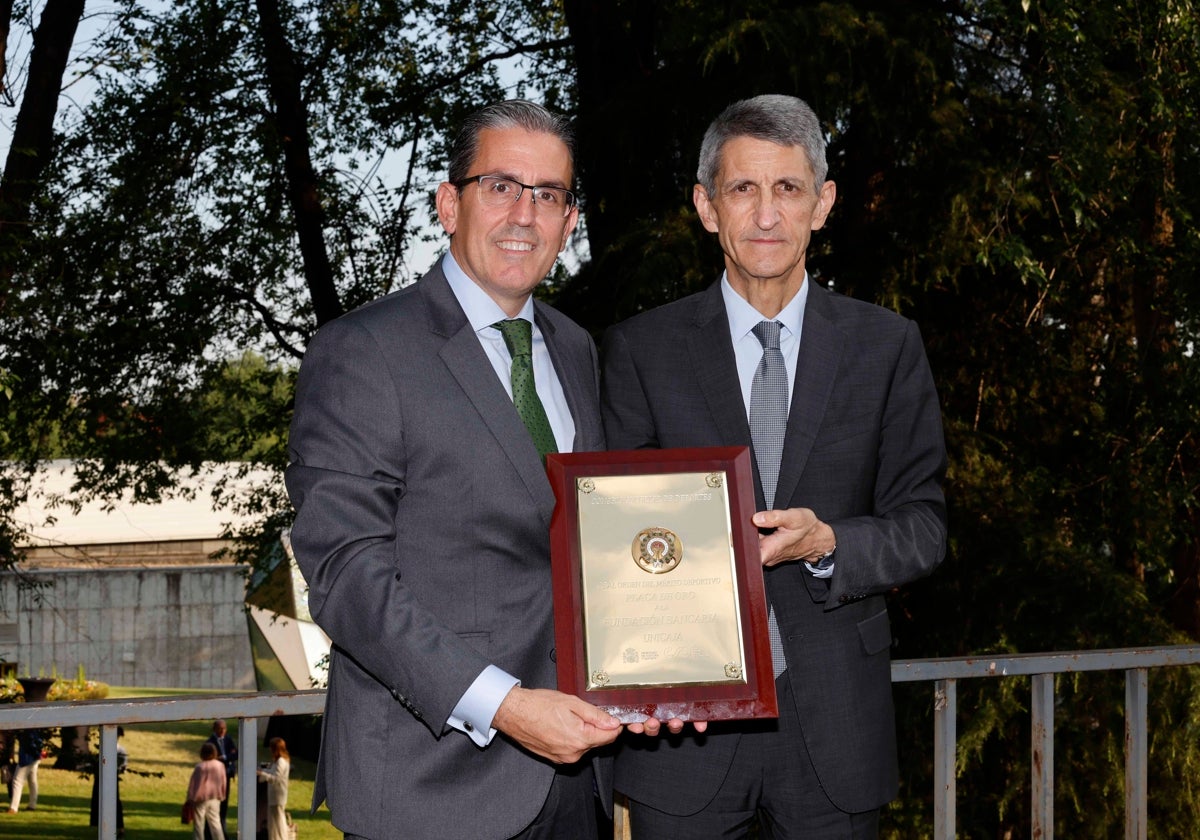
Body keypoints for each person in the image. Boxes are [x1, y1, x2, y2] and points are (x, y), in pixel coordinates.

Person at [601, 93, 948, 838]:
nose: (766, 215)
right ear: (705, 206)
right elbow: (611, 542)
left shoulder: (886, 347)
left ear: (822, 204)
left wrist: (829, 543)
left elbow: (923, 527)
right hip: (683, 729)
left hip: (837, 725)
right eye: (742, 189)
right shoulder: (640, 351)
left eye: (788, 188)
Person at [285, 99, 628, 840]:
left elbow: (576, 547)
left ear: (571, 222)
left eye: (549, 195)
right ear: (449, 203)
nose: (524, 215)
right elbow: (346, 574)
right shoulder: (364, 351)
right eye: (501, 186)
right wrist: (504, 705)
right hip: (429, 789)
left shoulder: (574, 348)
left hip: (576, 785)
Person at [89, 725, 127, 837]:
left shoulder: (119, 750)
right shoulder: (103, 748)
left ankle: (118, 827)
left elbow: (123, 766)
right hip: (101, 777)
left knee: (115, 802)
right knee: (99, 800)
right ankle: (101, 825)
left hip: (112, 778)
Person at [187, 742, 227, 840]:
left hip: (200, 798)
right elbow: (223, 781)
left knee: (199, 825)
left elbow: (194, 784)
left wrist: (190, 798)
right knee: (215, 823)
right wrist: (222, 794)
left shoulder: (200, 767)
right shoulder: (220, 765)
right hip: (215, 797)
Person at [204, 719, 237, 839]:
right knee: (213, 806)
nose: (223, 731)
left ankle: (222, 831)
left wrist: (225, 757)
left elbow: (235, 754)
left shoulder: (228, 740)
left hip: (226, 777)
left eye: (224, 728)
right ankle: (211, 833)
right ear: (215, 729)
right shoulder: (210, 743)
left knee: (224, 805)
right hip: (215, 779)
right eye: (220, 728)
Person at [256, 737, 291, 840]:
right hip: (274, 796)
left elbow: (276, 778)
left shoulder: (281, 761)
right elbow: (272, 772)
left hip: (278, 796)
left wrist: (261, 774)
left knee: (279, 821)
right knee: (273, 822)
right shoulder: (278, 760)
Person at [6, 728, 43, 813]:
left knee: (17, 781)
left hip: (27, 758)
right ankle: (32, 805)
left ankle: (13, 807)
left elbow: (29, 743)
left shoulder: (27, 729)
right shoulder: (36, 728)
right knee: (32, 780)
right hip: (35, 756)